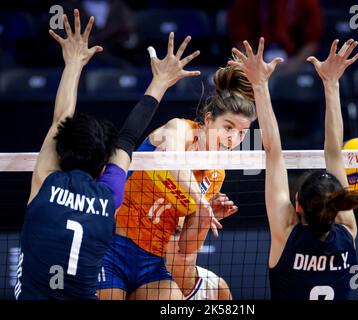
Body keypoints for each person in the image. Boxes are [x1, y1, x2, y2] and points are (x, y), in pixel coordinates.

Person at [14, 9, 198, 300]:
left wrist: (73, 62)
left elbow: (61, 117)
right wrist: (160, 82)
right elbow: (128, 136)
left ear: (62, 151)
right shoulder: (110, 193)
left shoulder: (45, 183)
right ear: (103, 167)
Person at [96, 42, 257, 300]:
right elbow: (173, 164)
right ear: (207, 120)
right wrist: (201, 202)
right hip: (111, 246)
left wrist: (204, 220)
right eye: (228, 127)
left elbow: (185, 246)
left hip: (152, 262)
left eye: (242, 133)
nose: (233, 139)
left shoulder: (216, 175)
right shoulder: (180, 130)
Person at [228, 37, 358, 300]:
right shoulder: (346, 233)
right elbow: (331, 153)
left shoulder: (288, 236)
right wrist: (332, 83)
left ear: (297, 206)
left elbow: (276, 151)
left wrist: (259, 84)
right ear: (339, 206)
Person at [228, 0, 323, 70]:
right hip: (256, 63)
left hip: (295, 62)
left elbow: (312, 42)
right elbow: (240, 40)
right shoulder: (244, 3)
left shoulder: (307, 2)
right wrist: (253, 64)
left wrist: (296, 63)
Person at [165, 216, 233, 300]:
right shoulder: (146, 284)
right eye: (176, 232)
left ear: (201, 243)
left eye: (191, 232)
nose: (185, 240)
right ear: (163, 242)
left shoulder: (217, 287)